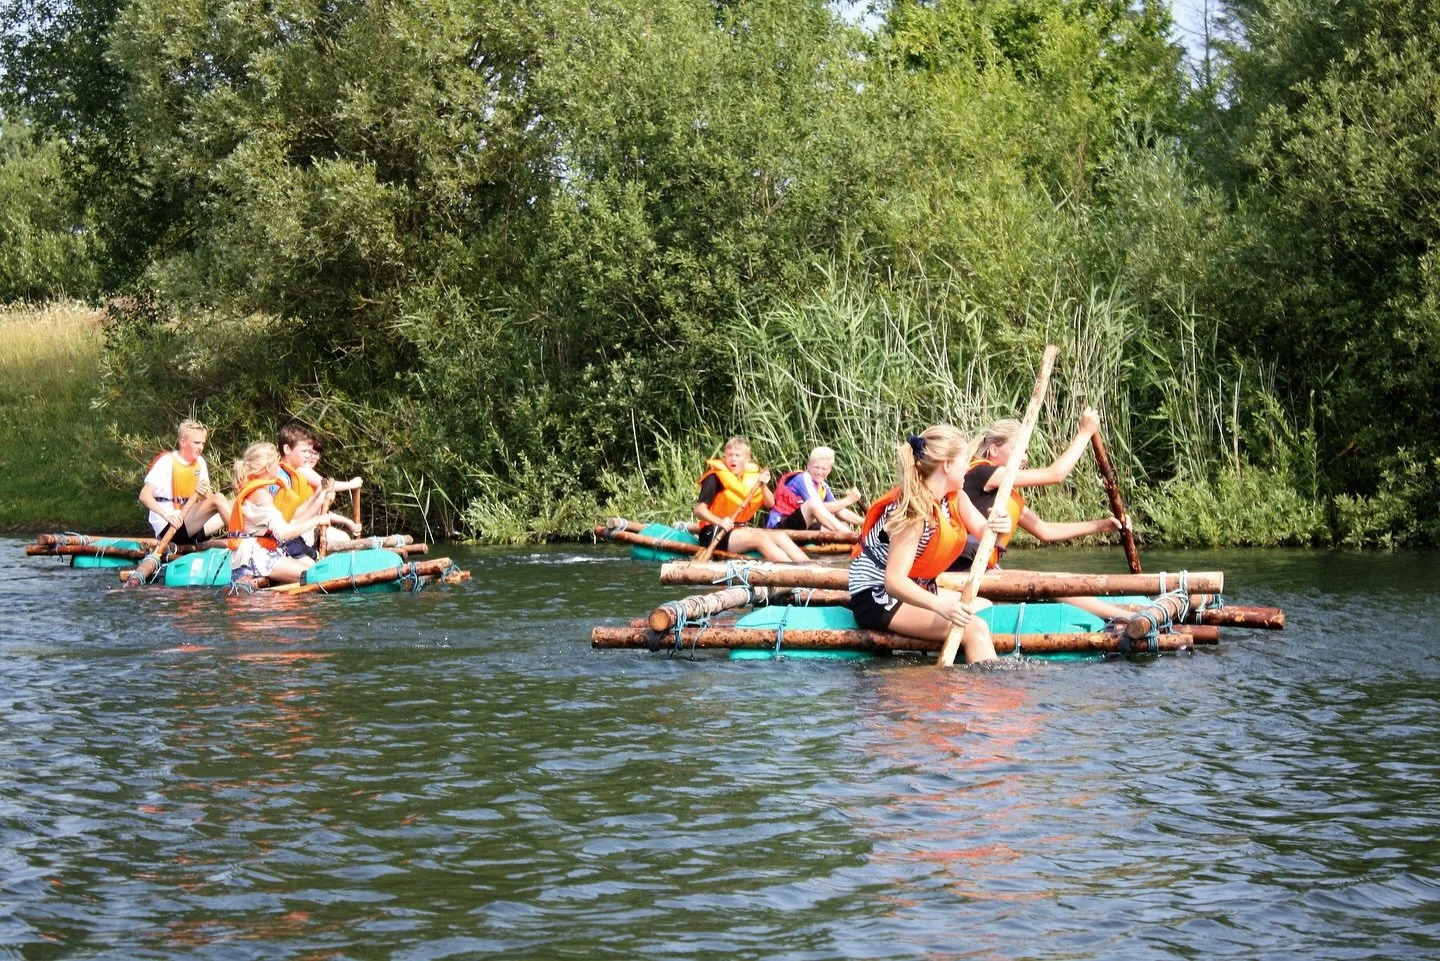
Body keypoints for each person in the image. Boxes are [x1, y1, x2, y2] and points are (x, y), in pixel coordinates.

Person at [947, 407, 1131, 623]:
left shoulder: (1005, 492)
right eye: (1018, 449)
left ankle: (1119, 615)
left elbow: (1045, 530)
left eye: (1026, 452)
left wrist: (1102, 526)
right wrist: (1084, 433)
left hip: (981, 569)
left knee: (1059, 580)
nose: (1024, 458)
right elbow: (1056, 474)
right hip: (961, 570)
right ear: (994, 450)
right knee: (1050, 581)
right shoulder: (981, 473)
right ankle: (1125, 617)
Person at [848, 425, 1012, 664]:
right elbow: (893, 582)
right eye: (964, 461)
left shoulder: (956, 499)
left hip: (916, 588)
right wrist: (940, 606)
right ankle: (983, 698)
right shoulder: (913, 512)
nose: (969, 467)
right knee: (974, 628)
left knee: (983, 605)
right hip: (877, 597)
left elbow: (990, 538)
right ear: (946, 465)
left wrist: (1001, 526)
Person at [227, 442, 334, 584]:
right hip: (255, 557)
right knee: (314, 575)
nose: (279, 466)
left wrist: (319, 500)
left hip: (258, 553)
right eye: (276, 463)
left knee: (313, 569)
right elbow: (284, 534)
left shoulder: (259, 491)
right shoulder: (260, 495)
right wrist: (318, 521)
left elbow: (288, 523)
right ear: (266, 467)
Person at [693, 436, 810, 562]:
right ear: (725, 457)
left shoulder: (752, 478)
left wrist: (763, 486)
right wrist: (719, 521)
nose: (733, 459)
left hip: (737, 531)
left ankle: (811, 567)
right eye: (729, 455)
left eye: (738, 455)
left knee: (779, 535)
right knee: (759, 538)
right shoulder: (714, 478)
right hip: (714, 533)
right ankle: (792, 572)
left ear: (747, 459)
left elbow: (770, 504)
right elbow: (699, 510)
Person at [271, 424, 363, 557]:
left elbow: (312, 508)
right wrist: (351, 484)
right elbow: (285, 519)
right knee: (342, 540)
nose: (309, 456)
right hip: (291, 534)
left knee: (342, 539)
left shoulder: (294, 473)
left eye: (314, 453)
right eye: (305, 452)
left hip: (302, 528)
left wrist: (320, 501)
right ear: (287, 449)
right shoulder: (288, 475)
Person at [138, 418, 231, 544]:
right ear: (183, 442)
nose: (200, 448)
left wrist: (204, 493)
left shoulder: (200, 463)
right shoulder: (166, 462)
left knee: (238, 503)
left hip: (191, 524)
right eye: (197, 443)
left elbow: (210, 499)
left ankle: (252, 538)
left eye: (203, 443)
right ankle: (241, 540)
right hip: (170, 526)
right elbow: (144, 496)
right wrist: (166, 515)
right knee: (219, 498)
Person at [765, 446, 864, 532]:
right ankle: (850, 536)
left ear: (829, 470)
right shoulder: (803, 478)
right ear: (808, 465)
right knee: (812, 503)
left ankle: (852, 535)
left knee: (844, 525)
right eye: (816, 467)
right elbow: (817, 506)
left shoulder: (823, 486)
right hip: (780, 525)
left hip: (801, 524)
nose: (819, 472)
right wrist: (849, 500)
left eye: (824, 469)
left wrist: (865, 522)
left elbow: (838, 509)